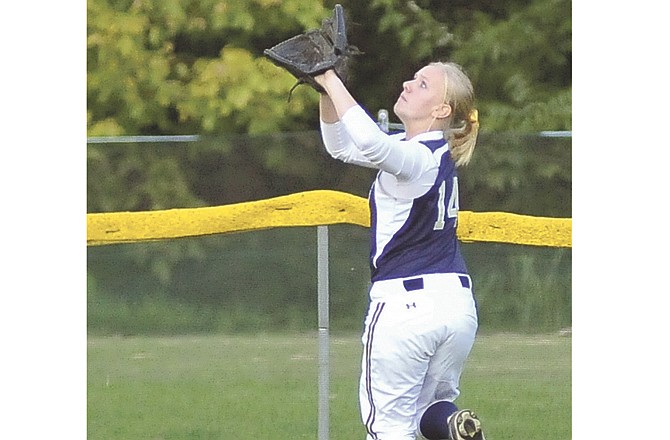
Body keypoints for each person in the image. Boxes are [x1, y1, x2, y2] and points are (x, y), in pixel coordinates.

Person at [313, 62, 484, 440]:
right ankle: (456, 429)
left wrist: (330, 77)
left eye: (423, 85)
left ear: (442, 111)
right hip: (456, 306)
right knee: (431, 409)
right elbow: (341, 146)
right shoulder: (424, 154)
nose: (408, 83)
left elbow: (372, 143)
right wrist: (324, 91)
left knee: (388, 428)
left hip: (406, 309)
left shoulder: (417, 159)